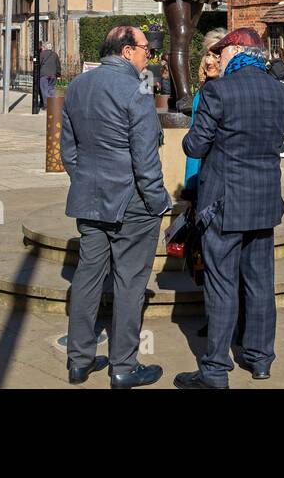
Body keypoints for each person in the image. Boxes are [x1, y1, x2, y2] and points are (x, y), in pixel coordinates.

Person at [174, 27, 284, 390]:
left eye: (222, 52)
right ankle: (259, 359)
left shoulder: (218, 91)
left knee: (221, 285)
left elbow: (195, 146)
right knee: (259, 283)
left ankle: (215, 369)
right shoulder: (280, 92)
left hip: (223, 205)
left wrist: (195, 136)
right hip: (264, 201)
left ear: (237, 51)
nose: (217, 58)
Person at [61, 25, 170, 389]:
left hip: (90, 197)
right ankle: (123, 366)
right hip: (131, 200)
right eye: (144, 50)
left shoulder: (77, 86)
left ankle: (79, 361)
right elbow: (145, 156)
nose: (148, 57)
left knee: (88, 277)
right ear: (126, 52)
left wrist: (86, 181)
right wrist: (158, 201)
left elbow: (69, 150)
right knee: (129, 282)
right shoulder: (136, 87)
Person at [184, 48, 222, 201]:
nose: (208, 61)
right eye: (207, 55)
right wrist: (190, 186)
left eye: (215, 56)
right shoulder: (202, 92)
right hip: (201, 168)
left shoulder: (228, 91)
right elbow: (195, 137)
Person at [37, 41, 61, 106]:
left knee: (44, 89)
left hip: (44, 74)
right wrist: (58, 75)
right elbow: (58, 65)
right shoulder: (55, 54)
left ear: (45, 47)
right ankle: (53, 103)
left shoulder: (42, 54)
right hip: (53, 75)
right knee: (51, 89)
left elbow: (38, 64)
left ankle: (47, 104)